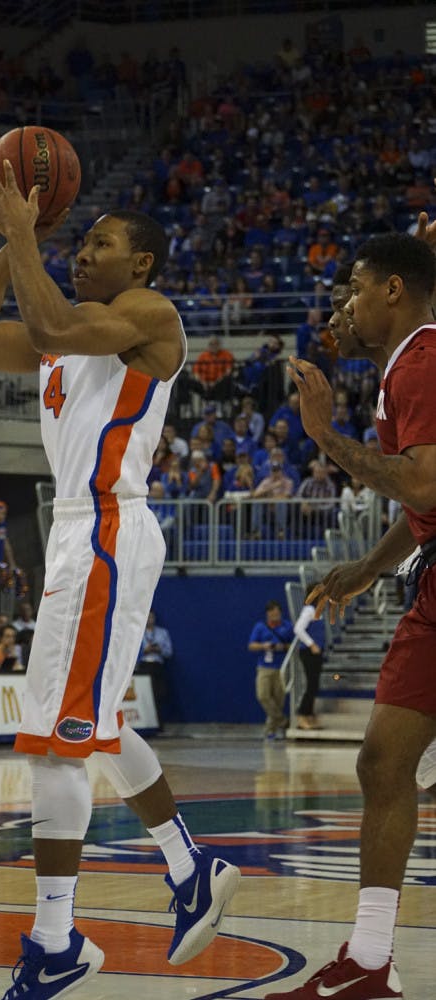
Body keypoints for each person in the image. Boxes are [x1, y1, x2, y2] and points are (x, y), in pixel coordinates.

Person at [0, 164, 240, 998]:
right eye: (82, 240)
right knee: (91, 727)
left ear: (140, 263)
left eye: (100, 243)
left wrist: (25, 239)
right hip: (80, 535)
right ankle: (189, 868)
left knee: (53, 745)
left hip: (107, 526)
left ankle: (55, 938)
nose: (83, 253)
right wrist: (12, 246)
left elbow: (53, 326)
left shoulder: (147, 315)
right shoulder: (60, 326)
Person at [264, 232, 436, 999]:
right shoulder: (401, 369)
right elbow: (425, 496)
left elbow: (424, 484)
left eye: (354, 288)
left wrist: (324, 436)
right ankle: (368, 961)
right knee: (382, 762)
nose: (343, 305)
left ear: (393, 290)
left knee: (388, 764)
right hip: (429, 580)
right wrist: (369, 567)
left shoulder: (425, 359)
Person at [248, 600, 293, 739]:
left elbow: (294, 644)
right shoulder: (260, 627)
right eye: (272, 613)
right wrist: (264, 646)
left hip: (281, 667)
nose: (275, 616)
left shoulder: (288, 626)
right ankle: (283, 721)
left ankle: (270, 730)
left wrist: (282, 647)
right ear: (268, 614)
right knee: (263, 695)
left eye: (277, 613)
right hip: (265, 667)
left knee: (278, 700)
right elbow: (251, 645)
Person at [136, 609, 173, 729]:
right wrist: (143, 651)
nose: (149, 620)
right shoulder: (139, 633)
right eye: (147, 617)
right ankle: (147, 724)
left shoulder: (163, 633)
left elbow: (169, 652)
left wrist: (159, 650)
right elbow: (132, 654)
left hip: (157, 666)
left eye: (151, 617)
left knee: (159, 694)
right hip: (144, 667)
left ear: (154, 618)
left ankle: (159, 724)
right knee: (146, 696)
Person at [291, 602, 326, 731]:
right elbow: (298, 629)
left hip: (316, 652)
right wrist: (311, 644)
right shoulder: (309, 610)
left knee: (314, 685)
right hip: (309, 652)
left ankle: (309, 714)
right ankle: (302, 715)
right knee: (311, 684)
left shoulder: (318, 611)